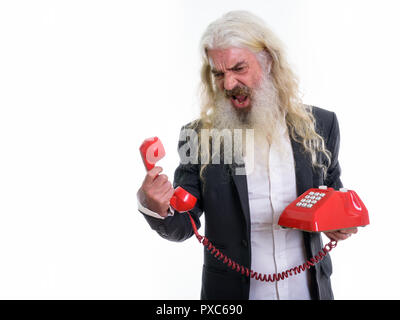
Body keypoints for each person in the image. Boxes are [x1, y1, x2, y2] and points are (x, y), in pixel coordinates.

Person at [137, 10, 357, 300]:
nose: (228, 84)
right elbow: (182, 224)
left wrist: (339, 223)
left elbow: (331, 193)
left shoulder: (321, 125)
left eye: (239, 68)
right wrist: (154, 205)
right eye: (219, 74)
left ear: (268, 61)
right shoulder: (203, 137)